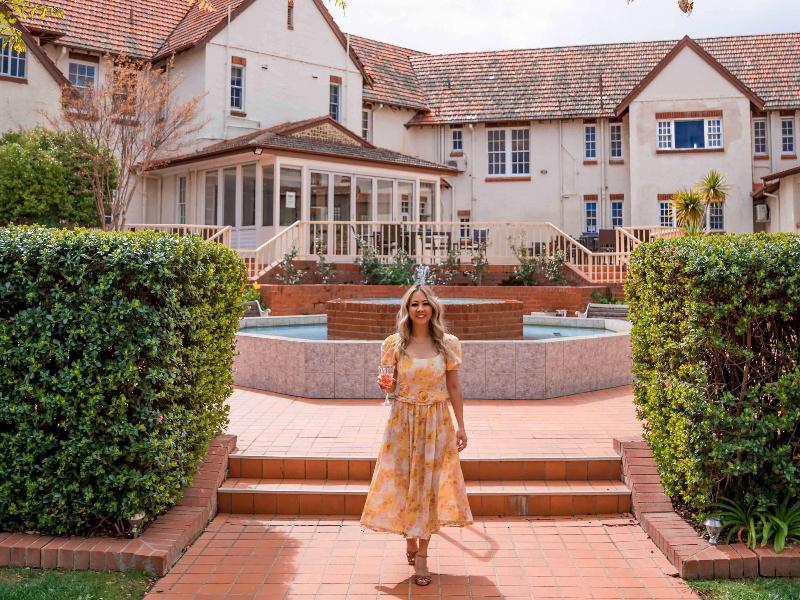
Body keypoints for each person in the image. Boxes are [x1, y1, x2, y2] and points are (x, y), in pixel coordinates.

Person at [360, 285, 472, 587]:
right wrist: (384, 385)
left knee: (428, 487)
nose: (420, 309)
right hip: (403, 422)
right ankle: (409, 536)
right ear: (407, 310)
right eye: (414, 304)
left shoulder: (448, 344)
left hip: (436, 422)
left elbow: (454, 387)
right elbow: (390, 383)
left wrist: (461, 426)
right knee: (402, 482)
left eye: (425, 304)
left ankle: (422, 554)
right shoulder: (394, 344)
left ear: (433, 308)